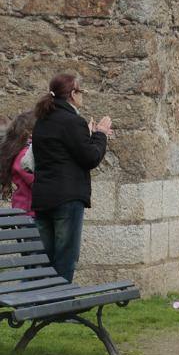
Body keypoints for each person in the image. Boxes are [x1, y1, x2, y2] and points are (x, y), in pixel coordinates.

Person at [31, 74, 112, 282]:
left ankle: (40, 304)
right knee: (65, 256)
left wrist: (89, 135)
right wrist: (101, 134)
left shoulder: (42, 120)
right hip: (67, 198)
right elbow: (90, 157)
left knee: (44, 257)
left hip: (43, 197)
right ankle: (59, 304)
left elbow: (64, 152)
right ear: (72, 95)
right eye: (81, 92)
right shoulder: (72, 121)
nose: (82, 96)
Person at [0, 111, 36, 215]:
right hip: (29, 212)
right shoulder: (25, 155)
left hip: (27, 209)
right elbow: (36, 182)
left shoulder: (21, 151)